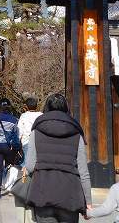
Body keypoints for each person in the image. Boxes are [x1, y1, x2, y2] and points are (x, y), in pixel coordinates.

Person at [24, 93, 92, 223]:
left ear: (46, 108)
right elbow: (83, 172)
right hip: (70, 196)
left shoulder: (36, 131)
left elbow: (30, 166)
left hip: (43, 192)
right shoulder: (76, 132)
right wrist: (88, 202)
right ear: (66, 108)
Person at [0, 98, 19, 197]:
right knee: (9, 166)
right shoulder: (14, 120)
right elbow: (15, 134)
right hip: (7, 146)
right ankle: (9, 186)